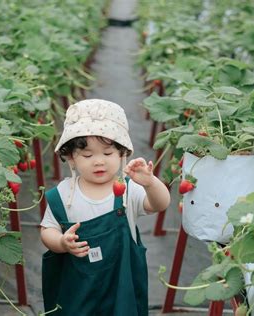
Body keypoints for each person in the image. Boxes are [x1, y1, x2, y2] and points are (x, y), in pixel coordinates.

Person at [40, 99, 171, 315]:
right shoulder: (64, 195)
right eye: (88, 155)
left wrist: (150, 183)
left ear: (122, 154)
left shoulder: (127, 191)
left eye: (108, 153)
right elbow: (47, 230)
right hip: (77, 288)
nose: (98, 161)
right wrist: (61, 243)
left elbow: (160, 204)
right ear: (72, 158)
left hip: (121, 286)